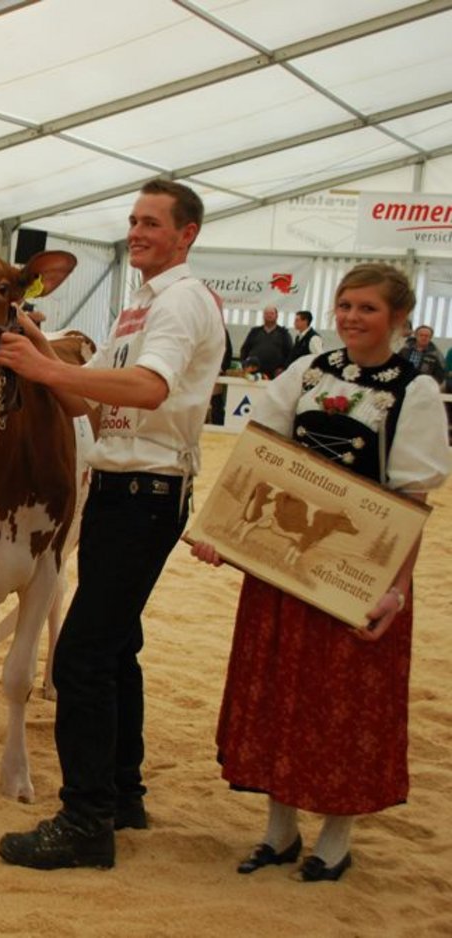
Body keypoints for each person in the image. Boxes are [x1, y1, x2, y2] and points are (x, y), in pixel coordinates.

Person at [0, 179, 226, 869]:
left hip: (147, 490)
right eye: (133, 220)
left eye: (153, 222)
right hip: (120, 485)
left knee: (83, 657)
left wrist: (43, 365)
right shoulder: (140, 307)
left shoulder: (180, 300)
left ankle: (86, 818)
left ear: (187, 234)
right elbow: (88, 398)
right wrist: (38, 344)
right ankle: (123, 792)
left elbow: (150, 388)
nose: (138, 231)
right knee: (117, 647)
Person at [192, 263, 450, 882]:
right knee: (280, 691)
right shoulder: (309, 371)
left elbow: (410, 499)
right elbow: (263, 454)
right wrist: (226, 535)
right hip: (283, 562)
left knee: (346, 704)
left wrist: (396, 590)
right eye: (346, 305)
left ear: (397, 317)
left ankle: (336, 840)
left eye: (367, 308)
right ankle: (279, 833)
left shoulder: (413, 387)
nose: (353, 317)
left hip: (357, 572)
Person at [240, 305, 292, 379]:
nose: (269, 316)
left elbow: (289, 353)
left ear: (276, 316)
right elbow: (245, 349)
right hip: (254, 372)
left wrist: (283, 368)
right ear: (263, 316)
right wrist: (244, 365)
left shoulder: (283, 333)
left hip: (275, 374)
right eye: (266, 314)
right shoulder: (254, 331)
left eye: (271, 313)